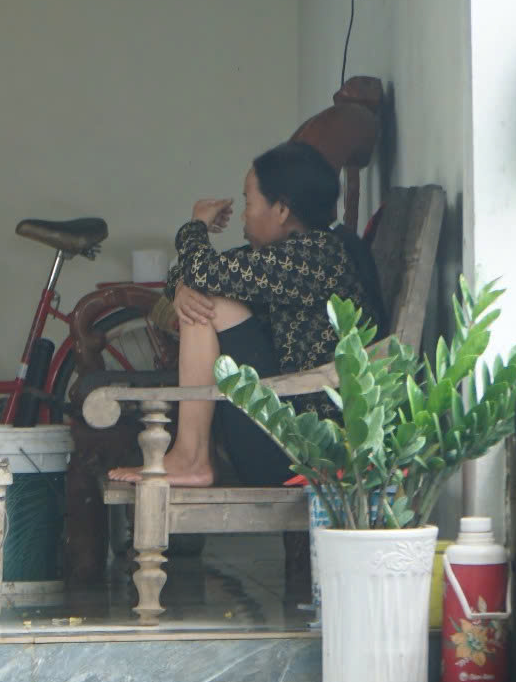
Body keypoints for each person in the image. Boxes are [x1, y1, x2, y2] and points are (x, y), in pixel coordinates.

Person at [108, 140, 383, 489]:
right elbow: (195, 273)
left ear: (281, 211)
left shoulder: (314, 257)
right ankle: (190, 456)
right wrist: (181, 289)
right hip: (287, 433)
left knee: (212, 307)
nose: (243, 215)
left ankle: (191, 458)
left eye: (249, 203)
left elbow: (204, 272)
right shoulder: (288, 253)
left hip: (311, 453)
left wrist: (197, 225)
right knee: (206, 299)